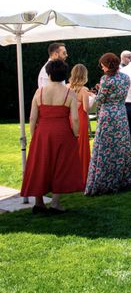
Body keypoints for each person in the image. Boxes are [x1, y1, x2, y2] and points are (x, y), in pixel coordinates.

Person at [21, 59, 83, 213]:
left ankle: (39, 202)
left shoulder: (39, 92)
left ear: (48, 73)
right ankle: (55, 203)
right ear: (64, 75)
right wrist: (76, 134)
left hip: (42, 132)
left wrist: (34, 135)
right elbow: (75, 118)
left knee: (40, 165)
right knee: (60, 166)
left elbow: (32, 118)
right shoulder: (69, 93)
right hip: (62, 133)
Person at [85, 53, 131, 196]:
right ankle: (124, 180)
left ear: (107, 65)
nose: (101, 67)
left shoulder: (106, 79)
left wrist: (93, 95)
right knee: (121, 147)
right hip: (121, 114)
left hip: (108, 116)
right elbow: (120, 94)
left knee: (105, 148)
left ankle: (105, 182)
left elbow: (101, 99)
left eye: (102, 64)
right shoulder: (125, 77)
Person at [68, 63, 95, 186]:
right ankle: (82, 175)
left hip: (69, 118)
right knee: (82, 146)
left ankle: (70, 175)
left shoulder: (67, 87)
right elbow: (86, 108)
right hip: (81, 119)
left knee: (71, 147)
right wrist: (93, 98)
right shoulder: (83, 90)